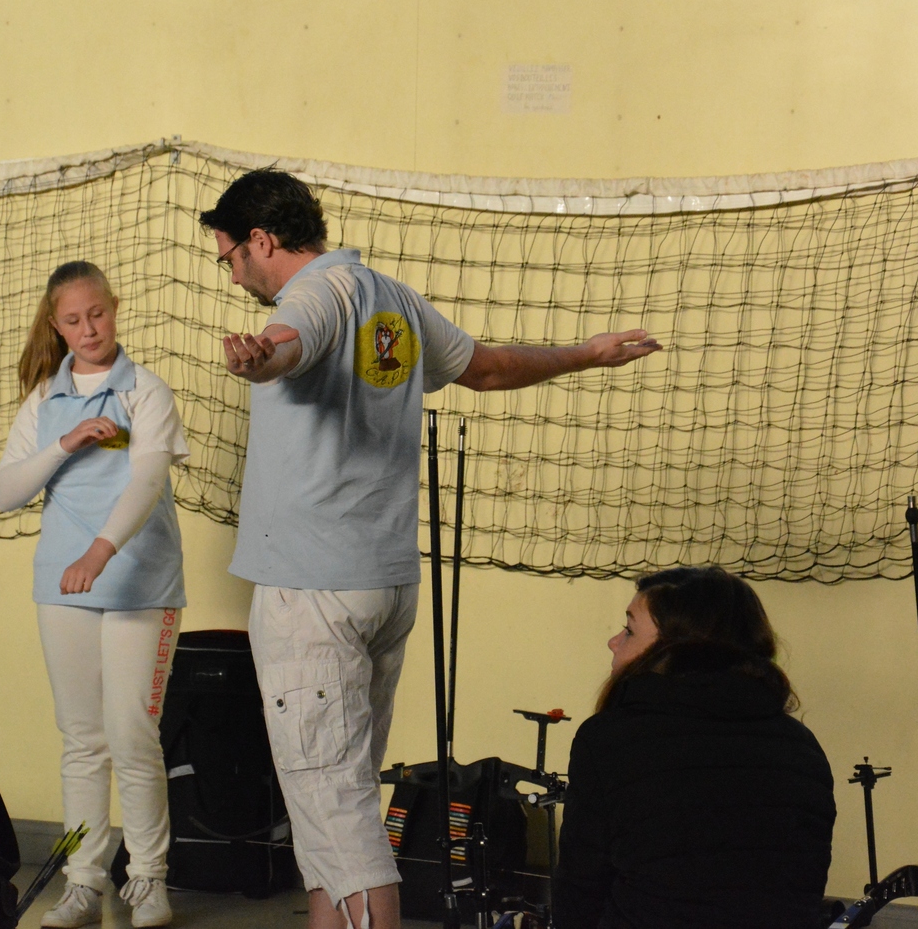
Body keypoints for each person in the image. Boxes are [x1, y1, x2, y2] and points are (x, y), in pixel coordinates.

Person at [202, 169, 663, 929]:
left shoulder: (311, 296)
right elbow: (487, 368)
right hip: (383, 586)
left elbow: (290, 341)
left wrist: (263, 355)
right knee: (337, 814)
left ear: (261, 239)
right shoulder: (393, 299)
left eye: (231, 258)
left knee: (344, 832)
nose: (233, 275)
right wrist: (585, 353)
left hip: (313, 595)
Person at [0, 262, 188, 929]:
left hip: (140, 584)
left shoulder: (145, 392)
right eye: (73, 320)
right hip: (62, 587)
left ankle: (149, 878)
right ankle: (82, 881)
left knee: (132, 734)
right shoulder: (43, 401)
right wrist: (65, 443)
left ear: (114, 307)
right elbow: (6, 491)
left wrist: (100, 552)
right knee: (82, 740)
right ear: (56, 325)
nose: (89, 329)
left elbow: (147, 481)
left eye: (97, 314)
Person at [552, 565, 837, 929]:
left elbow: (580, 892)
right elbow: (801, 890)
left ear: (676, 648)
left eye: (629, 630)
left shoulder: (609, 739)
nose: (613, 641)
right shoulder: (802, 747)